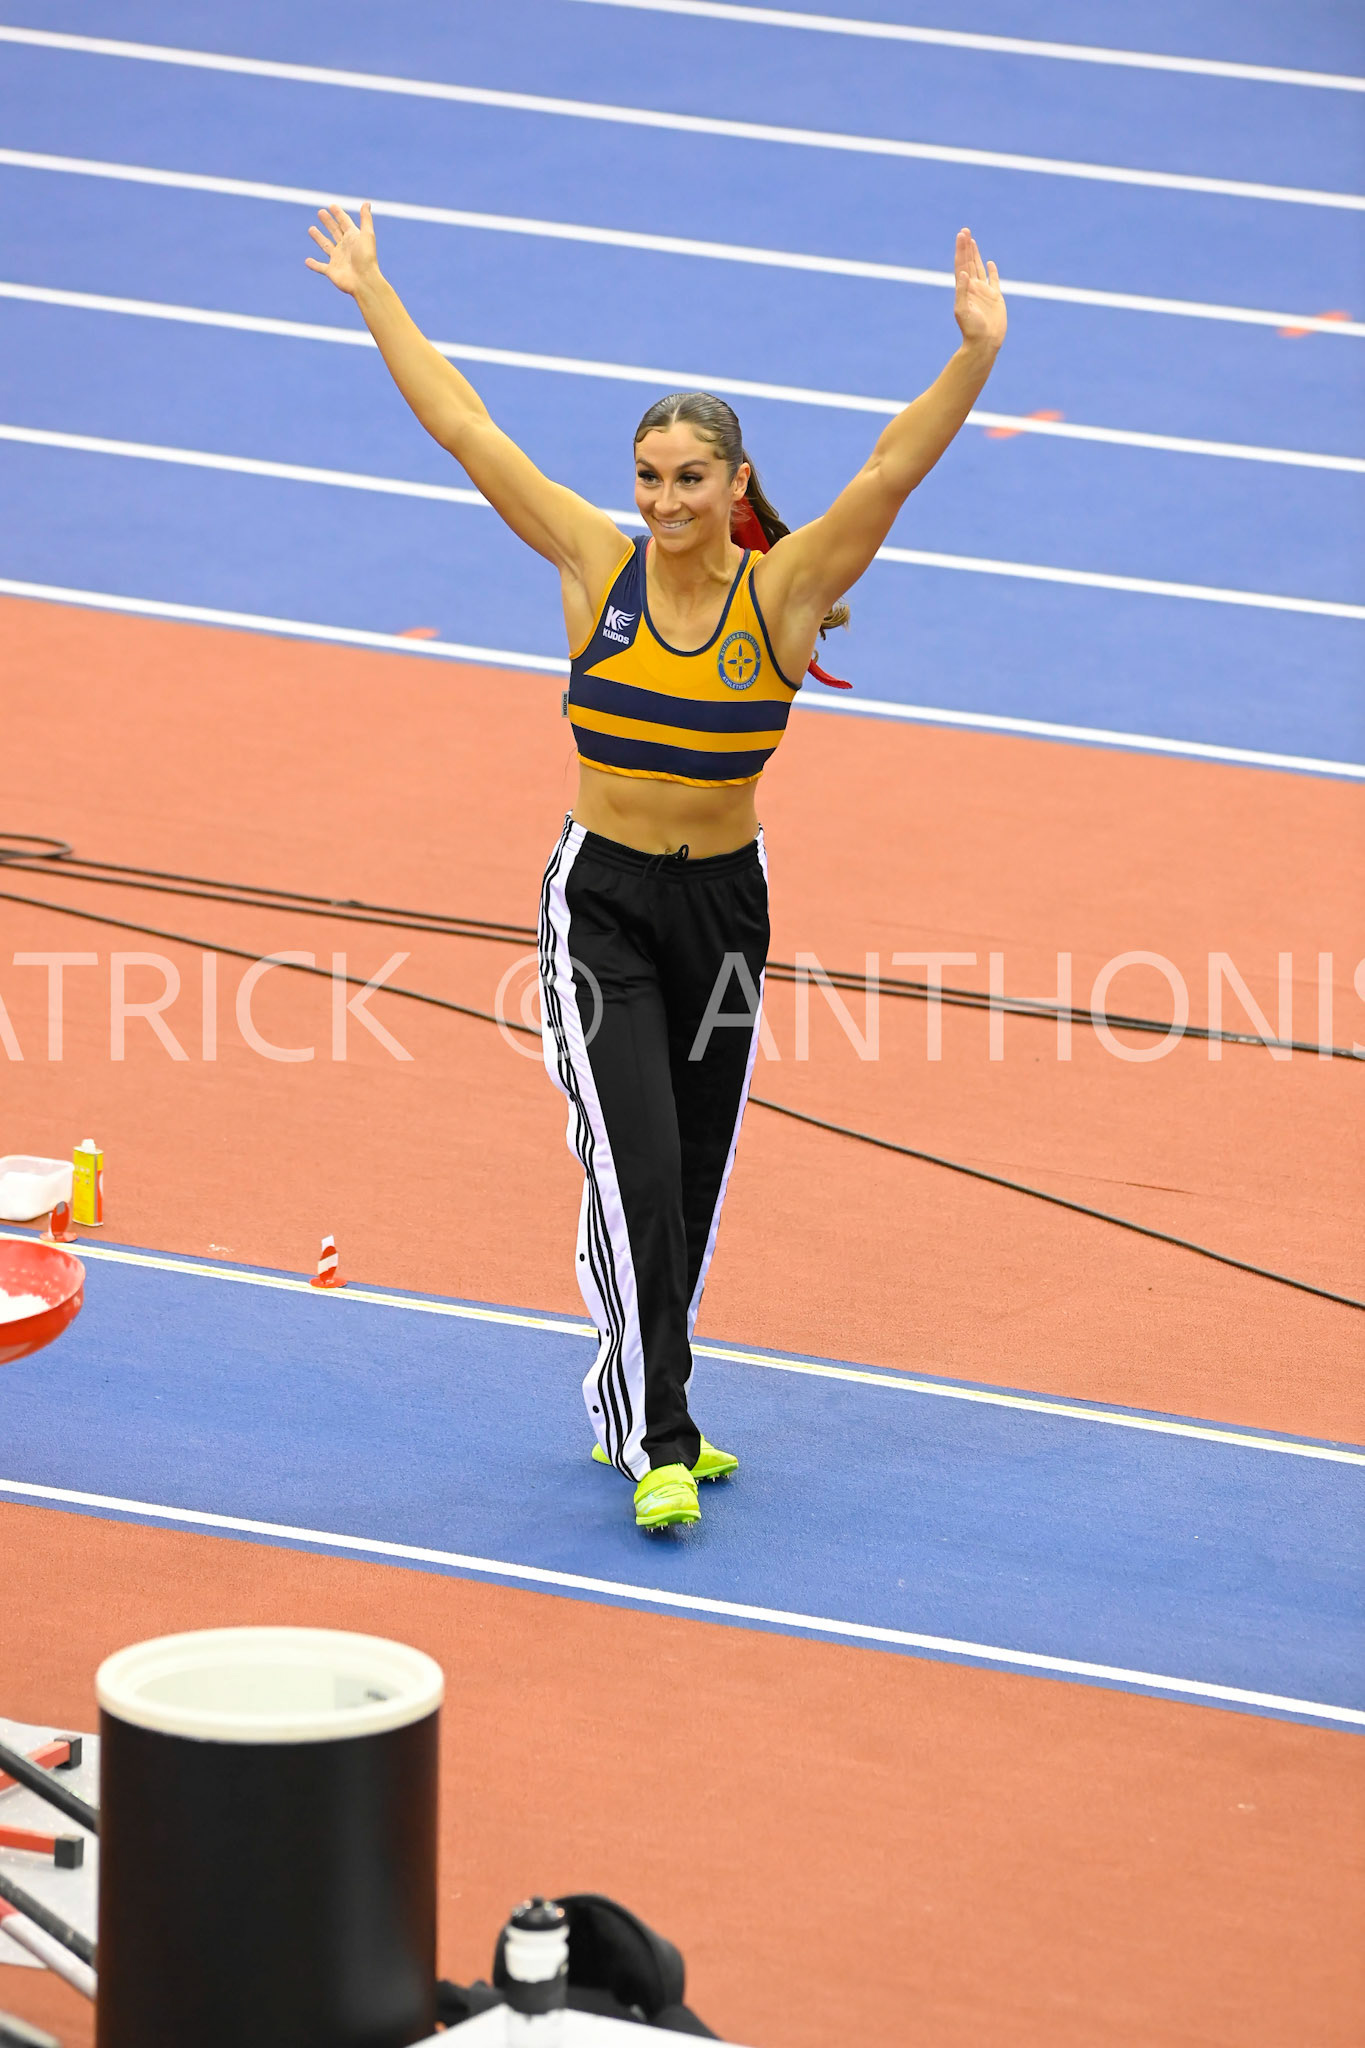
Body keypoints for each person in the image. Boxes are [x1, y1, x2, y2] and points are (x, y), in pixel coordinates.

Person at [306, 203, 1007, 1531]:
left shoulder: (781, 596)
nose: (664, 502)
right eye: (647, 477)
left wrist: (973, 354)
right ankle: (655, 1437)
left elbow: (887, 472)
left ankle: (631, 1393)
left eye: (689, 479)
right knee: (632, 1166)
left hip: (726, 914)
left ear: (736, 485)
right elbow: (468, 429)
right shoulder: (596, 566)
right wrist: (374, 291)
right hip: (602, 908)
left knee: (686, 1176)